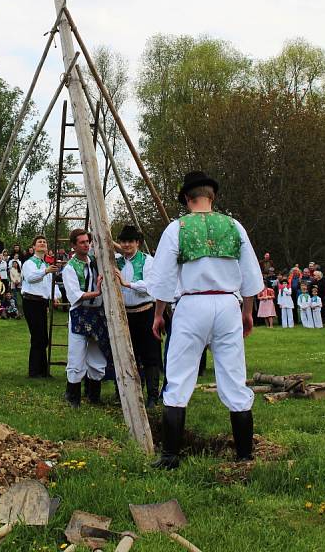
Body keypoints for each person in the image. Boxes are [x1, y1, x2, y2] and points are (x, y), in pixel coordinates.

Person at [149, 171, 263, 469]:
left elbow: (162, 279)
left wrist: (159, 315)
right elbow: (251, 275)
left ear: (188, 198)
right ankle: (244, 455)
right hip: (228, 304)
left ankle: (170, 456)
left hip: (191, 304)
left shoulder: (177, 228)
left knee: (179, 376)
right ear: (212, 197)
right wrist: (247, 312)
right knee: (234, 376)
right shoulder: (234, 226)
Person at [114, 225, 161, 409]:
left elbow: (151, 285)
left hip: (145, 312)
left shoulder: (148, 260)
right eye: (123, 241)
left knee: (150, 355)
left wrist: (128, 284)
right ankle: (127, 393)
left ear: (138, 243)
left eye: (130, 242)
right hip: (125, 314)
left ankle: (152, 396)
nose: (126, 245)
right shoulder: (117, 261)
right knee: (126, 354)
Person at [61, 229, 107, 407]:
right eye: (82, 242)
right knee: (76, 355)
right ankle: (73, 397)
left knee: (97, 355)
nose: (86, 244)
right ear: (73, 245)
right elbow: (74, 295)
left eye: (87, 241)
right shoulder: (70, 268)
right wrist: (96, 292)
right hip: (80, 313)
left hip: (97, 312)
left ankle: (94, 397)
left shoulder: (95, 262)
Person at [21, 235, 60, 378]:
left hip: (42, 302)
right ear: (34, 247)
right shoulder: (28, 263)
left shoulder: (45, 265)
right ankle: (34, 371)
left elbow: (50, 283)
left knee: (43, 337)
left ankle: (42, 371)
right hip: (31, 301)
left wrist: (55, 296)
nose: (42, 243)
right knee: (38, 336)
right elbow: (30, 278)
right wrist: (46, 271)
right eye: (39, 242)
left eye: (44, 242)